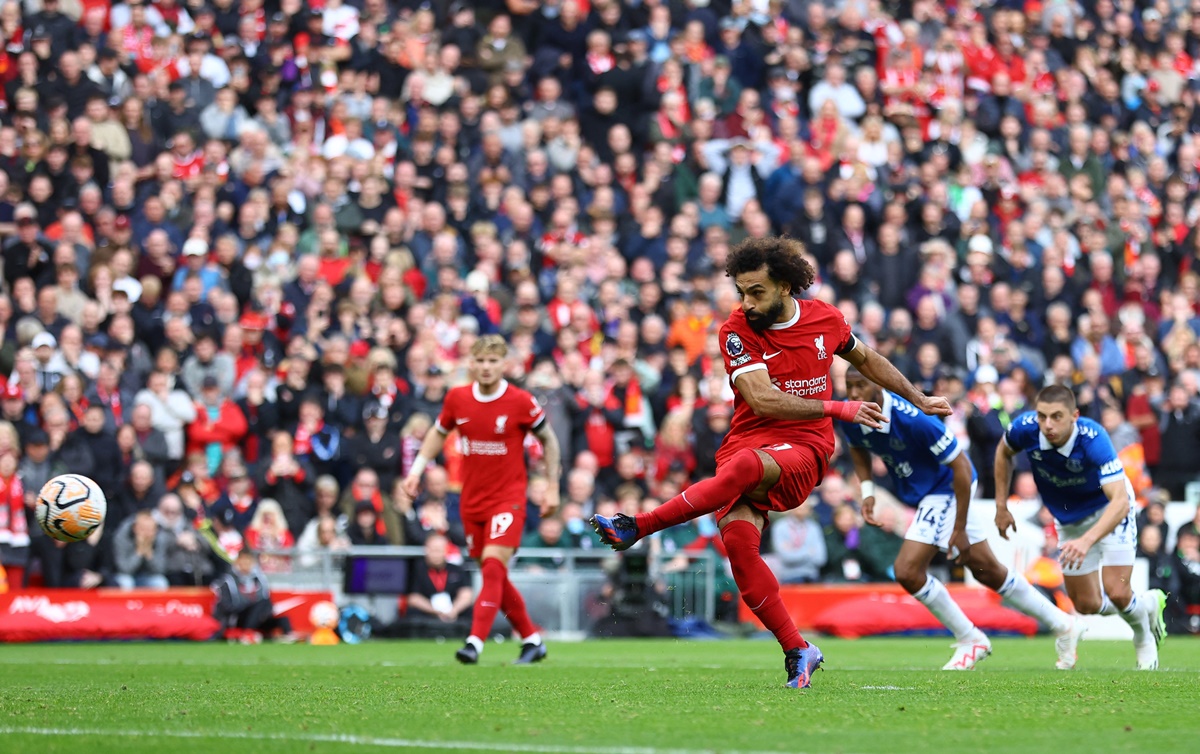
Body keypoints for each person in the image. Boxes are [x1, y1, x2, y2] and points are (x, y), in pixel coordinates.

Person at [591, 236, 952, 688]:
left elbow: (868, 358)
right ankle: (799, 649)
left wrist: (916, 397)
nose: (746, 302)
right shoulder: (736, 329)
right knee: (741, 552)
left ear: (784, 286)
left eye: (756, 291)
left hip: (804, 448)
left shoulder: (825, 318)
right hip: (747, 438)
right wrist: (838, 407)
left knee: (742, 472)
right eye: (741, 291)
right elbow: (761, 400)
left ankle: (637, 526)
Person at [842, 369, 1083, 670]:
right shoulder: (852, 413)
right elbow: (857, 448)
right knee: (987, 570)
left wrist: (958, 529)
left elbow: (961, 467)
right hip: (926, 492)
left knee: (907, 570)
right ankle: (1063, 623)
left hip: (949, 486)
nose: (853, 394)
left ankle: (970, 638)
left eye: (860, 385)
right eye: (848, 386)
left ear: (878, 382)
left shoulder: (914, 419)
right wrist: (867, 491)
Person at [400, 334, 562, 665]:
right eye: (481, 361)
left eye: (493, 361)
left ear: (504, 364)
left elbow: (549, 440)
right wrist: (417, 469)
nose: (487, 367)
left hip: (509, 498)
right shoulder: (458, 398)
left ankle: (474, 642)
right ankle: (532, 640)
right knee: (496, 575)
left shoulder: (520, 401)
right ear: (471, 364)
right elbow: (437, 433)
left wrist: (553, 486)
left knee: (491, 567)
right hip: (471, 501)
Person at [995, 385, 1168, 670]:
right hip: (1069, 520)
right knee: (1086, 604)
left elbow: (1121, 502)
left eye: (1056, 417)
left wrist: (1086, 541)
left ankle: (1142, 637)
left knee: (1118, 592)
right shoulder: (1024, 428)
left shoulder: (1093, 438)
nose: (1047, 425)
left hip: (1110, 511)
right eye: (1042, 416)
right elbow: (1003, 453)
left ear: (1074, 416)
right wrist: (1001, 506)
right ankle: (1147, 604)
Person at [210, 548, 293, 643]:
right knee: (260, 604)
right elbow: (226, 606)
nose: (246, 564)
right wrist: (250, 606)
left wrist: (261, 613)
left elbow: (267, 602)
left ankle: (288, 635)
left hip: (256, 616)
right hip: (236, 617)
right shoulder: (228, 580)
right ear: (237, 561)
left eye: (248, 561)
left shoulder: (259, 579)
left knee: (282, 618)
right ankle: (247, 633)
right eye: (243, 561)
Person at [401, 533, 474, 639]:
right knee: (412, 614)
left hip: (454, 611)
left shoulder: (457, 569)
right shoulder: (416, 569)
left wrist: (454, 610)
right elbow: (413, 598)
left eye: (439, 550)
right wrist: (435, 611)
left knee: (472, 612)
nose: (436, 554)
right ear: (426, 550)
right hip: (427, 613)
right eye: (433, 550)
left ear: (446, 551)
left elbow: (466, 595)